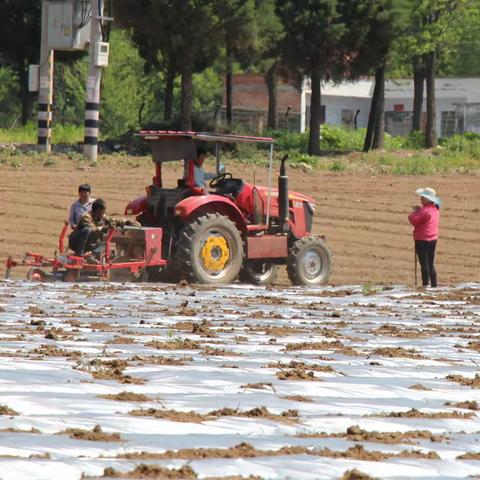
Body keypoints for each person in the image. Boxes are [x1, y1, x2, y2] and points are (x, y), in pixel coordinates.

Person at [68, 199, 139, 257]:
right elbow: (93, 229)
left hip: (89, 244)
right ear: (98, 210)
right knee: (87, 230)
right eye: (103, 210)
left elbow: (112, 220)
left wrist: (127, 222)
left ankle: (92, 257)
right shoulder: (87, 217)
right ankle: (79, 253)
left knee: (104, 244)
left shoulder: (101, 217)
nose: (105, 211)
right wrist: (105, 228)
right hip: (75, 242)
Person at [408, 187, 441, 288]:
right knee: (431, 263)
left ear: (428, 199)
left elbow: (413, 220)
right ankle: (434, 284)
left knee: (424, 264)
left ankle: (425, 285)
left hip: (422, 239)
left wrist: (414, 212)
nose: (421, 199)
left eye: (423, 197)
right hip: (433, 239)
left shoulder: (424, 211)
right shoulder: (435, 209)